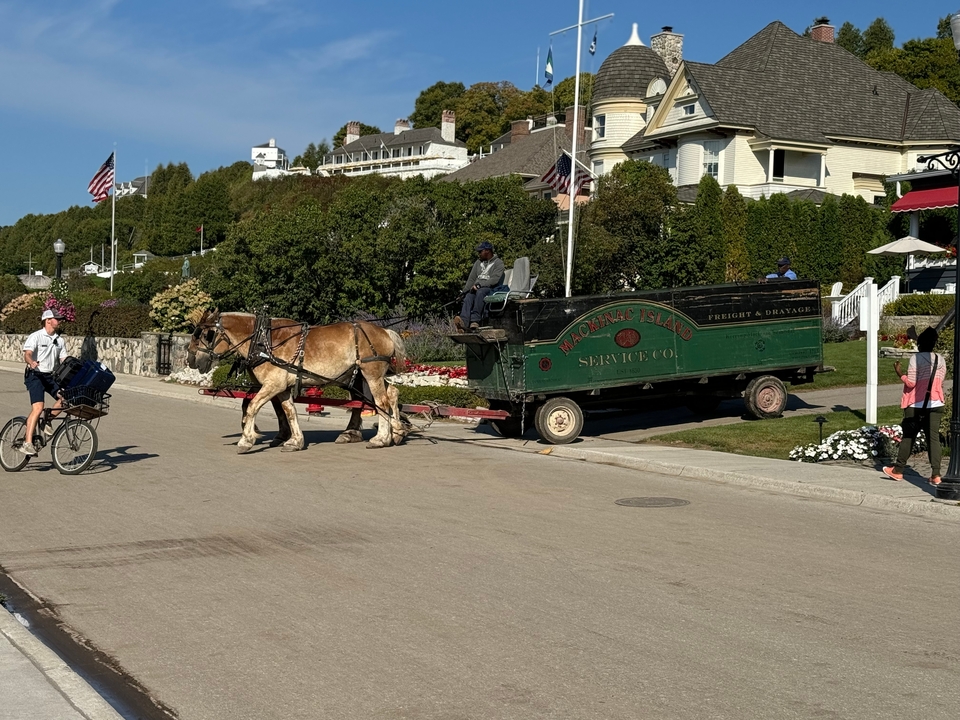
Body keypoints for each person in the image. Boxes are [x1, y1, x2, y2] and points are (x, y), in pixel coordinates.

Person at [883, 327, 947, 485]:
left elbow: (911, 383)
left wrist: (900, 373)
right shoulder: (940, 359)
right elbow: (940, 381)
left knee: (909, 436)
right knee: (933, 439)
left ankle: (898, 470)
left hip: (916, 404)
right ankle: (936, 474)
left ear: (920, 343)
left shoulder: (915, 359)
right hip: (936, 402)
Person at [21, 309, 68, 456]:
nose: (59, 321)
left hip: (50, 376)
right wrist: (32, 362)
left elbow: (64, 360)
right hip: (35, 375)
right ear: (48, 320)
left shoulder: (60, 340)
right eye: (57, 319)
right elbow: (27, 354)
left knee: (65, 399)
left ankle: (46, 421)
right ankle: (27, 443)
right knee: (38, 408)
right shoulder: (36, 336)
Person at [454, 241, 505, 332]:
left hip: (490, 289)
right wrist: (463, 292)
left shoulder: (499, 263)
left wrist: (480, 285)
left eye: (480, 251)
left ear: (487, 251)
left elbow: (494, 280)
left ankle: (475, 320)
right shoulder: (478, 263)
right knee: (469, 296)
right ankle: (463, 322)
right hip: (476, 288)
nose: (479, 254)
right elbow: (471, 279)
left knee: (481, 292)